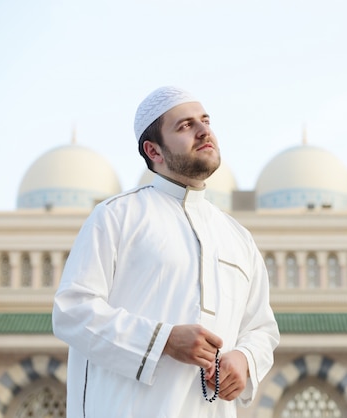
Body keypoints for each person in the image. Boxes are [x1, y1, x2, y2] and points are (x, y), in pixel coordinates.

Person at [52, 86, 280, 417]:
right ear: (153, 151)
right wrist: (163, 340)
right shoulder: (118, 216)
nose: (204, 131)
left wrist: (244, 358)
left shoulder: (237, 237)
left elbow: (261, 328)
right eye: (185, 125)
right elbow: (71, 311)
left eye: (205, 120)